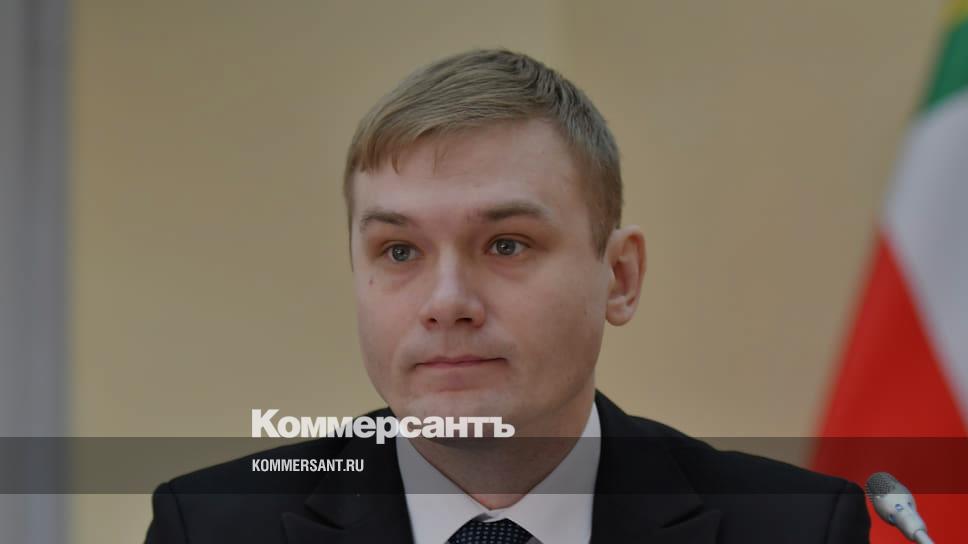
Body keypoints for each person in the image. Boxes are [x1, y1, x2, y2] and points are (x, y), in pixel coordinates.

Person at [146, 49, 870, 543]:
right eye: (399, 251)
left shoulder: (794, 527)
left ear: (619, 277)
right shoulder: (210, 526)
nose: (446, 302)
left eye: (506, 245)